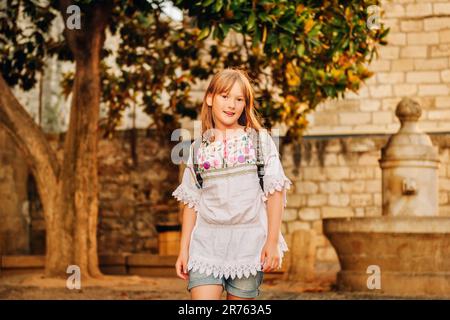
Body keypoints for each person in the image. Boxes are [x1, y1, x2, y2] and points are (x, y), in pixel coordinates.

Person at [172, 68, 292, 300]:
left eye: (239, 99)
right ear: (210, 98)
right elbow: (191, 202)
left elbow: (275, 193)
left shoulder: (259, 141)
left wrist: (272, 241)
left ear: (245, 105)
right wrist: (184, 249)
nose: (232, 105)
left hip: (248, 245)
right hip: (206, 245)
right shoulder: (198, 148)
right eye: (225, 96)